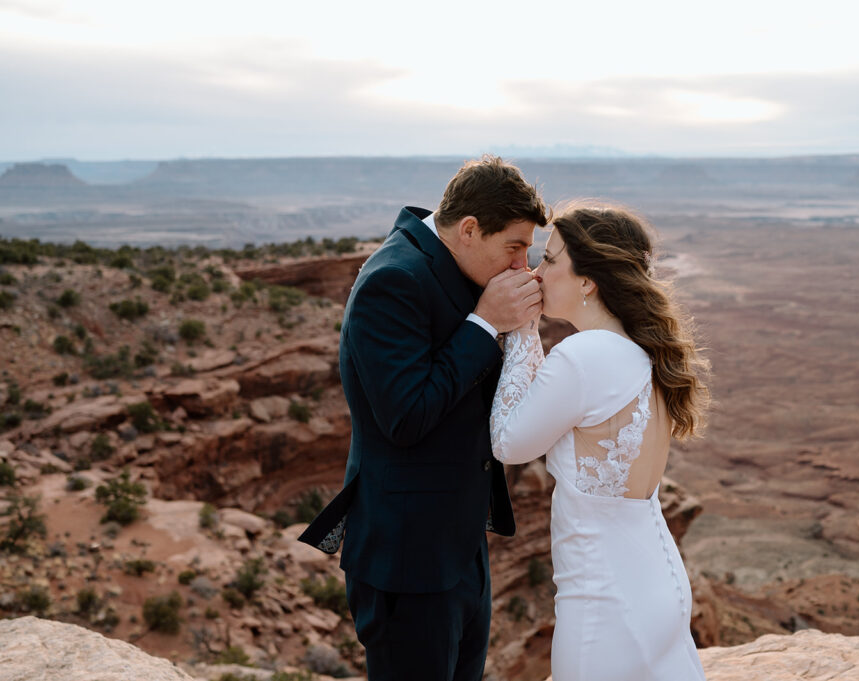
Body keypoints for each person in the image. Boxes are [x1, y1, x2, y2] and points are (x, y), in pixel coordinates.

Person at [299, 156, 549, 681]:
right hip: (407, 562)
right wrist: (485, 322)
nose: (522, 263)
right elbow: (406, 417)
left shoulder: (448, 266)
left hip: (458, 551)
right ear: (469, 229)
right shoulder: (393, 282)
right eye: (514, 246)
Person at [490, 203, 710, 681]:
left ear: (588, 280)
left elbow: (509, 443)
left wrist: (522, 330)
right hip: (655, 579)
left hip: (603, 593)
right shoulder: (639, 351)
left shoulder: (584, 356)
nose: (536, 271)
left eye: (549, 260)